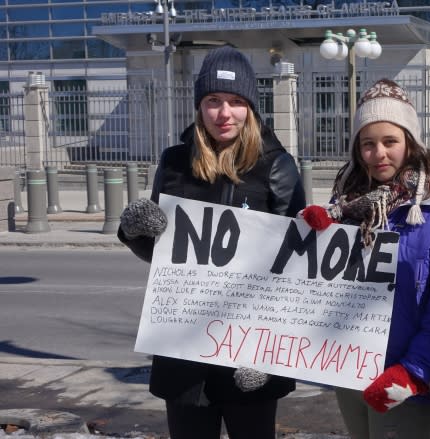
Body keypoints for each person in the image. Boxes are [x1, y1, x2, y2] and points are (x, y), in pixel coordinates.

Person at [117, 45, 305, 439]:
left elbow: (298, 269)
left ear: (251, 107)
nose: (224, 113)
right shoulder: (173, 162)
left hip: (249, 354)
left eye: (236, 102)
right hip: (184, 347)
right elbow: (164, 256)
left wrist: (269, 353)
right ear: (199, 106)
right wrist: (136, 232)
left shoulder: (277, 166)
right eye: (214, 100)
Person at [300, 78, 430, 438]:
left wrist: (413, 371)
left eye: (390, 141)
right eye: (368, 144)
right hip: (350, 369)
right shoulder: (347, 203)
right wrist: (308, 235)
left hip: (404, 381)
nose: (379, 153)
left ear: (410, 143)